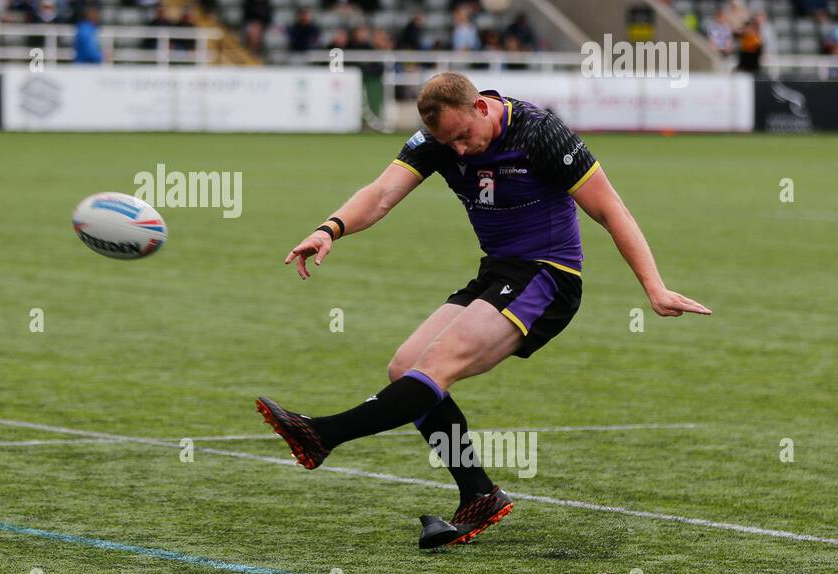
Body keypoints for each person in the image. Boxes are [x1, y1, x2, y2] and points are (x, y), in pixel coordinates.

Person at [256, 72, 711, 549]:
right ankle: (478, 493)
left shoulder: (539, 133)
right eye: (445, 142)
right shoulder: (439, 140)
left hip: (548, 277)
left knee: (435, 368)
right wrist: (330, 229)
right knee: (404, 367)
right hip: (498, 273)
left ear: (481, 108)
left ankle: (323, 434)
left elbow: (610, 209)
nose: (458, 150)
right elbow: (382, 193)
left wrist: (654, 287)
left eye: (463, 137)